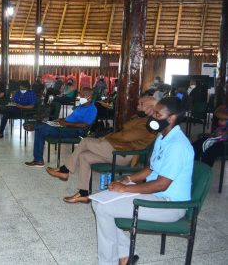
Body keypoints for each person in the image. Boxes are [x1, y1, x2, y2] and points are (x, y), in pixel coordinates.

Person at [92, 97, 194, 265]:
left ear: (171, 118)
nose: (152, 117)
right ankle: (126, 255)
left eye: (157, 113)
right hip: (157, 196)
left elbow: (161, 184)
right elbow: (151, 168)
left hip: (169, 205)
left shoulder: (178, 145)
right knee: (97, 202)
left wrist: (125, 190)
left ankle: (108, 262)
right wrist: (127, 180)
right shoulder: (162, 137)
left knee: (104, 208)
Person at [46, 96, 157, 203]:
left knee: (85, 141)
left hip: (123, 154)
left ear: (151, 108)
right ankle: (83, 193)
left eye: (141, 104)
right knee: (84, 156)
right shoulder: (141, 119)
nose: (137, 106)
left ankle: (65, 170)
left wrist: (106, 137)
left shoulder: (148, 124)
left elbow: (125, 137)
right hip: (115, 148)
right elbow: (122, 135)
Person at [25, 88, 97, 167]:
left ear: (89, 97)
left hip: (74, 131)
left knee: (41, 129)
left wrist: (66, 123)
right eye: (80, 95)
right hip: (66, 126)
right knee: (42, 128)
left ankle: (34, 128)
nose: (80, 97)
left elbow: (84, 125)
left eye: (83, 95)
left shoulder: (92, 109)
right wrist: (61, 119)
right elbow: (72, 118)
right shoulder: (81, 106)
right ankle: (38, 160)